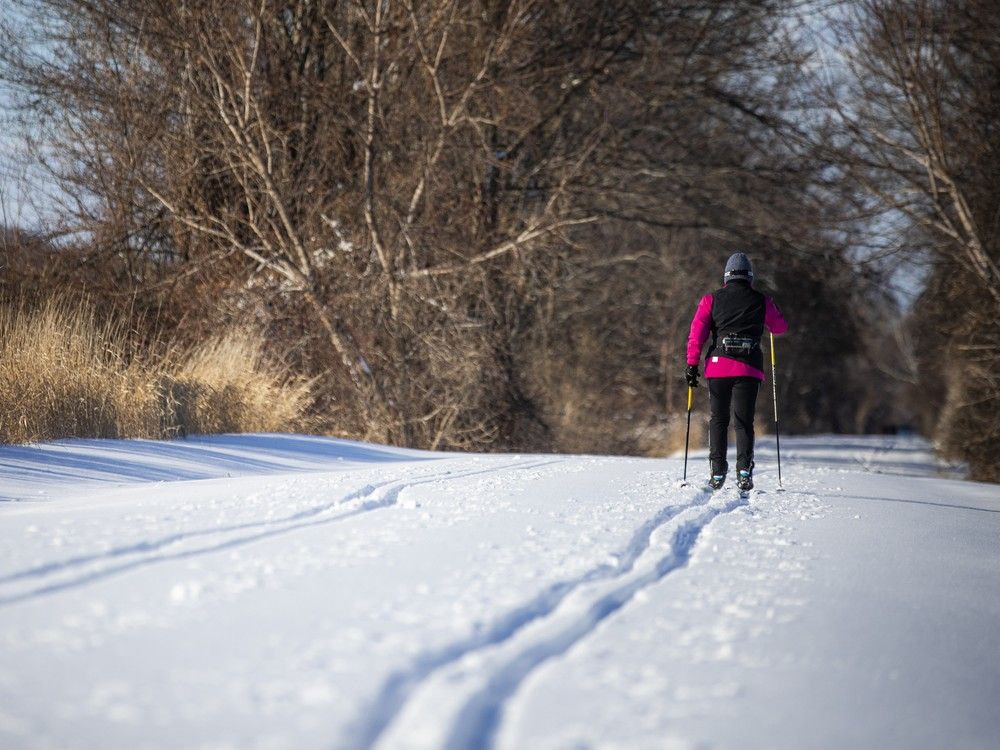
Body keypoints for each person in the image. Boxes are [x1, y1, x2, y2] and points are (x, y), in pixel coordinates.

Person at [685, 253, 787, 490]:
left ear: (726, 276)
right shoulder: (761, 300)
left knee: (718, 419)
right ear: (749, 277)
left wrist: (691, 365)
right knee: (744, 421)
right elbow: (780, 327)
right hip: (748, 369)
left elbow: (696, 334)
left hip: (718, 368)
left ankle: (717, 472)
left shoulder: (711, 300)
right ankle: (744, 472)